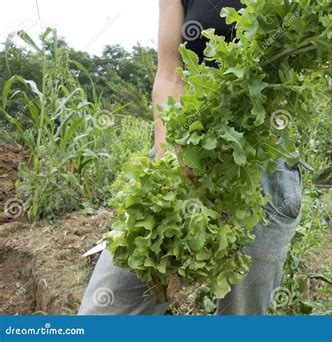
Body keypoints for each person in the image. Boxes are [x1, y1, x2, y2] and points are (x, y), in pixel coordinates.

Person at [78, 0, 303, 316]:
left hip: (261, 161)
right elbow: (169, 74)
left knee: (240, 318)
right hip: (183, 144)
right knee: (108, 309)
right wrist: (169, 148)